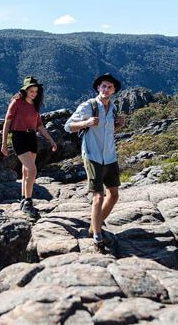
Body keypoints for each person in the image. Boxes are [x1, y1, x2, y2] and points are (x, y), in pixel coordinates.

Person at [64, 73, 125, 247]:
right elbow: (68, 126)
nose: (106, 89)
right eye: (103, 86)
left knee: (113, 194)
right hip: (93, 155)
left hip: (110, 156)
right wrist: (87, 122)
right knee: (98, 196)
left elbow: (109, 130)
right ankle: (97, 235)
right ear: (98, 88)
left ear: (113, 90)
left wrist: (118, 124)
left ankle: (94, 225)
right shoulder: (88, 106)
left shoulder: (113, 108)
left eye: (110, 87)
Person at [1, 76, 58, 220]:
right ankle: (28, 201)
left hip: (32, 137)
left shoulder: (35, 104)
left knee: (26, 171)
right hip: (19, 137)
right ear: (25, 90)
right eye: (31, 91)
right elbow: (6, 123)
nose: (34, 93)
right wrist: (4, 144)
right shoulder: (16, 102)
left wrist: (51, 140)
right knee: (32, 169)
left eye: (36, 91)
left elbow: (39, 126)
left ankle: (23, 199)